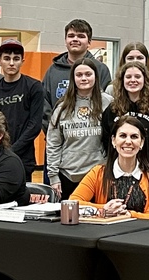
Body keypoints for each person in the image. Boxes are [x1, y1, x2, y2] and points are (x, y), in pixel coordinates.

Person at [70, 116, 149, 220]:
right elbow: (73, 203)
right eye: (123, 136)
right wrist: (103, 210)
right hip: (103, 234)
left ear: (141, 143)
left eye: (134, 137)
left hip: (138, 234)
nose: (128, 141)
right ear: (113, 141)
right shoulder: (98, 172)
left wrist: (128, 215)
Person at [46, 58, 114, 199]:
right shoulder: (62, 107)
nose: (84, 78)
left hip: (99, 173)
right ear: (73, 78)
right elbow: (53, 143)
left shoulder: (108, 102)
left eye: (88, 74)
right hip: (68, 175)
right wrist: (53, 177)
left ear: (96, 76)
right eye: (79, 75)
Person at [0, 39, 46, 173]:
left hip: (23, 159)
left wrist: (11, 151)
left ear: (22, 61)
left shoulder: (34, 87)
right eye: (6, 58)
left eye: (16, 59)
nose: (11, 63)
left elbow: (34, 126)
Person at [43, 19, 113, 127]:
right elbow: (45, 106)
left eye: (81, 36)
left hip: (93, 136)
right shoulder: (53, 71)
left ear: (89, 42)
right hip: (59, 137)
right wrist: (54, 132)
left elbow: (106, 105)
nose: (75, 39)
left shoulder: (101, 70)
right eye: (71, 36)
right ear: (65, 40)